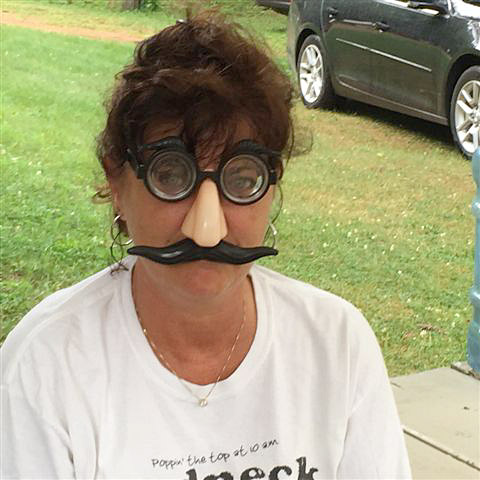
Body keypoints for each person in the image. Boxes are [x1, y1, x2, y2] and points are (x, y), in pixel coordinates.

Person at [1, 8, 411, 480]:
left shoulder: (336, 344)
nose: (207, 231)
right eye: (171, 175)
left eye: (242, 179)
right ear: (117, 182)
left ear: (272, 185)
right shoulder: (47, 365)